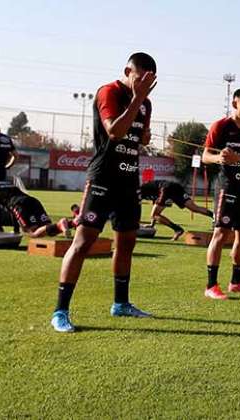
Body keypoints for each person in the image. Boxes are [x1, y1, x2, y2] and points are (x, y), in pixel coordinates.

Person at [51, 52, 157, 333]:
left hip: (128, 181)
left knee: (126, 244)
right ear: (127, 71)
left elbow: (138, 136)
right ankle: (60, 311)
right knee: (83, 243)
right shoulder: (108, 92)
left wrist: (145, 135)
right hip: (102, 179)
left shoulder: (146, 103)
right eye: (140, 78)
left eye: (150, 81)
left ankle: (120, 304)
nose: (145, 85)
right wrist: (136, 99)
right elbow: (115, 131)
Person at [201, 88, 240, 300]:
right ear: (235, 103)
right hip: (226, 187)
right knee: (221, 234)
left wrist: (237, 157)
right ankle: (211, 285)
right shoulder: (220, 126)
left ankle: (236, 282)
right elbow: (205, 155)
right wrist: (219, 158)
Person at [0, 176, 71, 240]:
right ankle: (68, 224)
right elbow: (11, 210)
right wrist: (15, 230)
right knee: (47, 229)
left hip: (20, 205)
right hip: (33, 201)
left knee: (33, 233)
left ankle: (61, 224)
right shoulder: (5, 183)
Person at [140, 179, 214, 240]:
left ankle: (177, 229)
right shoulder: (145, 189)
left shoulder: (139, 191)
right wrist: (152, 224)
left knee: (155, 215)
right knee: (194, 208)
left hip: (165, 189)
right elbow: (156, 204)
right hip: (175, 186)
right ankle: (216, 216)